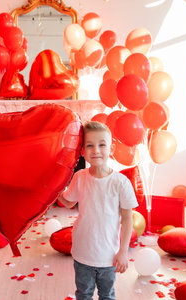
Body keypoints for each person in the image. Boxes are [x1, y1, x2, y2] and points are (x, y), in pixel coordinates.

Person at [58, 121, 138, 300]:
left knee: (107, 295)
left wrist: (123, 251)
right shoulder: (80, 177)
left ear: (112, 148)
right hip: (83, 253)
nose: (96, 150)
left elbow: (127, 218)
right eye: (89, 145)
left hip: (109, 256)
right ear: (82, 152)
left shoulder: (120, 182)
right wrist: (54, 190)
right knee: (83, 294)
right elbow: (69, 202)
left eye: (102, 145)